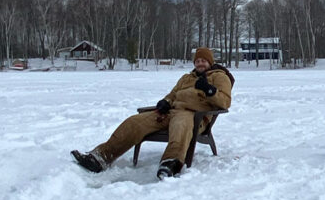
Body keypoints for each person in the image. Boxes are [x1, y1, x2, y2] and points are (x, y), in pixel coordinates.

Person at [72, 47, 234, 179]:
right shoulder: (186, 78)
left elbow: (225, 102)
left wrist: (209, 89)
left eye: (203, 61)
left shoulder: (219, 77)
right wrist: (165, 102)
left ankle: (171, 162)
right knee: (135, 122)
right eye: (197, 61)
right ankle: (101, 157)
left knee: (180, 123)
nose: (200, 63)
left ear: (210, 62)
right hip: (171, 112)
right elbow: (172, 95)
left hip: (195, 116)